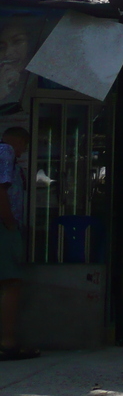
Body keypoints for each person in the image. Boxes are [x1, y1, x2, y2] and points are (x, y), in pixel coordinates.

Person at [0, 127, 35, 360]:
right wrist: (10, 221)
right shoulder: (6, 151)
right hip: (3, 227)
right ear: (19, 141)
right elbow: (1, 189)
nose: (22, 153)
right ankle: (7, 342)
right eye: (24, 146)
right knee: (11, 283)